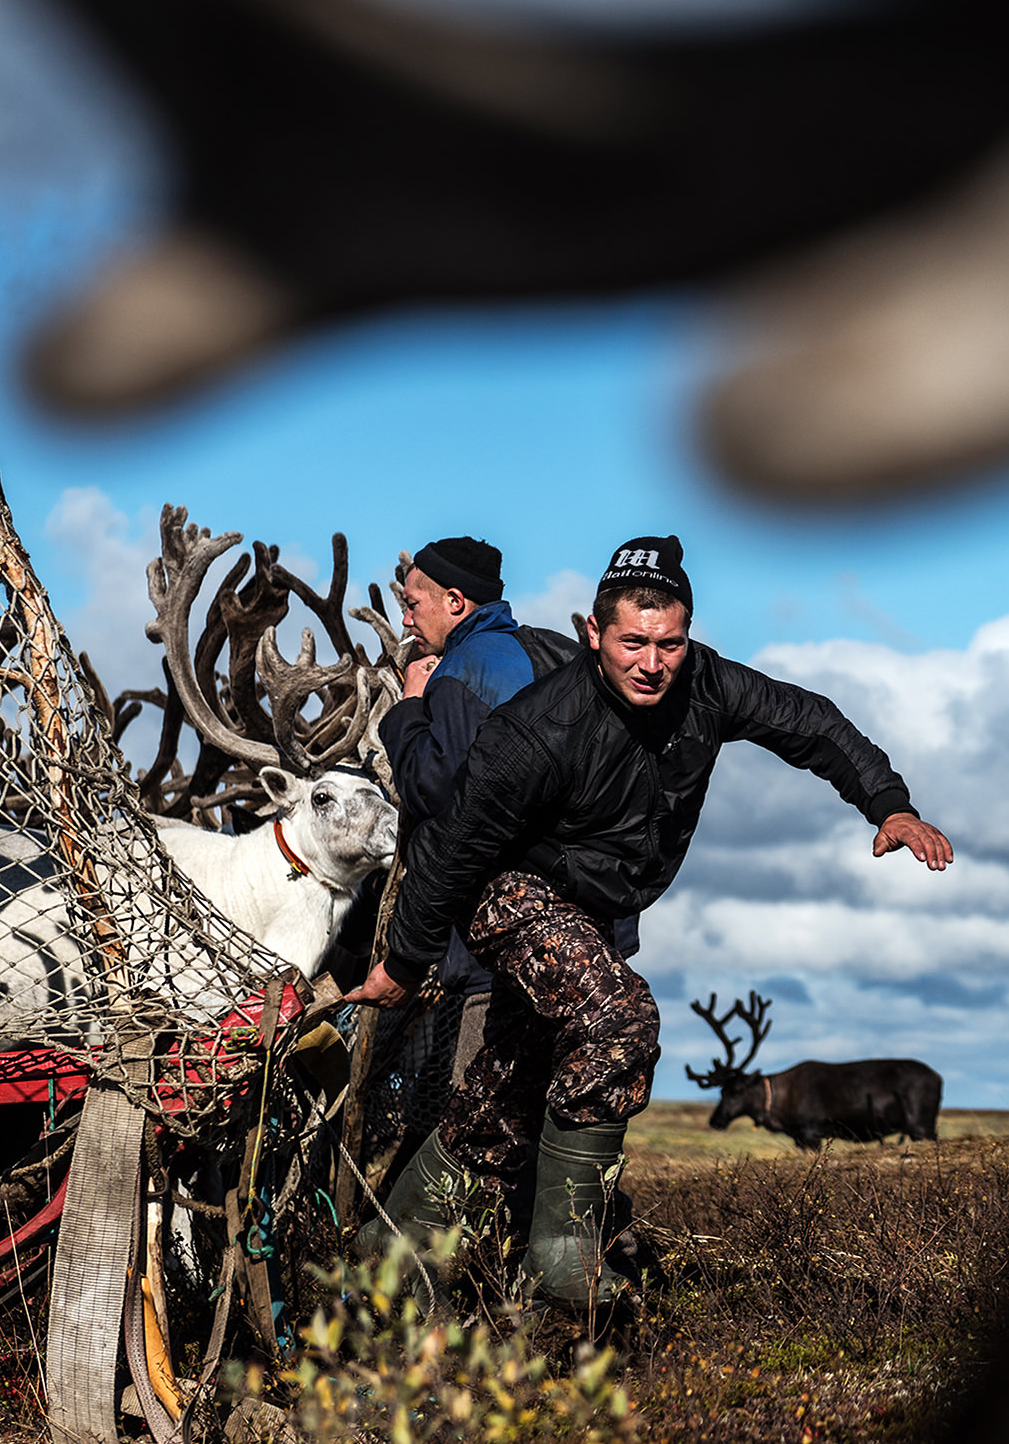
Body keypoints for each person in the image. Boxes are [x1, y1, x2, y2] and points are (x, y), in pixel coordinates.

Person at [343, 536, 953, 1309]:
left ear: (687, 637)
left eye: (669, 643)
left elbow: (813, 724)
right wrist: (402, 962)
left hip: (593, 911)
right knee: (618, 1017)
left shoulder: (708, 686)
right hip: (509, 888)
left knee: (504, 1096)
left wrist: (888, 804)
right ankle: (566, 1252)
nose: (651, 663)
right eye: (632, 642)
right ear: (594, 634)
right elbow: (455, 849)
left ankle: (385, 1258)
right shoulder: (536, 729)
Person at [376, 537, 543, 1085]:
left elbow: (434, 791)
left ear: (454, 601)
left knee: (477, 1126)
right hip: (569, 943)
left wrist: (407, 711)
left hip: (496, 954)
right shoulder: (542, 653)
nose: (404, 620)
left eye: (411, 603)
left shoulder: (463, 669)